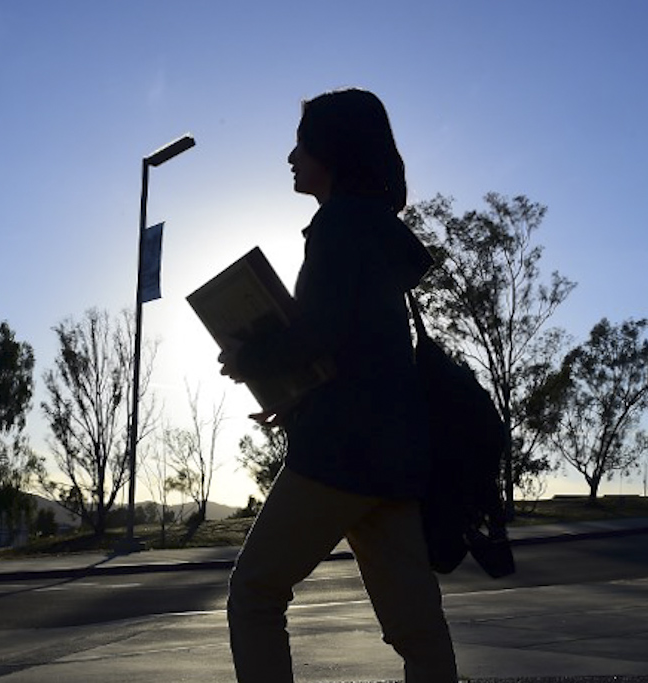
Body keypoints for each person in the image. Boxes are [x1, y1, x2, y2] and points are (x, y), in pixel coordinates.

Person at [218, 88, 459, 683]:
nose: (291, 156)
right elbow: (359, 346)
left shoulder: (336, 228)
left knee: (255, 592)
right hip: (394, 457)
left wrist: (252, 355)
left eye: (302, 144)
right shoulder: (376, 230)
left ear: (331, 150)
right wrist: (288, 387)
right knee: (417, 630)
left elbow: (318, 334)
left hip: (339, 455)